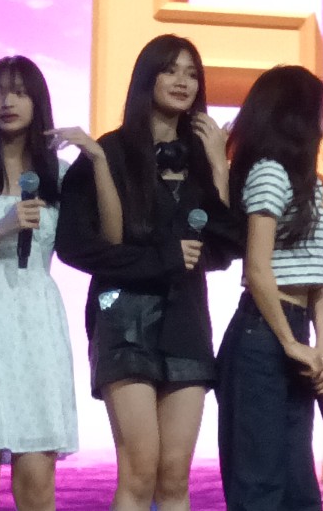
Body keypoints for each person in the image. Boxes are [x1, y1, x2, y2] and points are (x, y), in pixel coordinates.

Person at [55, 34, 244, 511]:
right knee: (140, 471)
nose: (183, 82)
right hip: (124, 321)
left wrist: (219, 165)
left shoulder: (201, 155)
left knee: (175, 477)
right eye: (170, 70)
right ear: (147, 78)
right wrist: (160, 260)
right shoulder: (109, 152)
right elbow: (75, 245)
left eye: (192, 73)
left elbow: (225, 249)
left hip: (186, 322)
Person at [0, 56, 118, 511]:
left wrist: (98, 159)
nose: (6, 102)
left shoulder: (60, 177)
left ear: (37, 102)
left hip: (37, 321)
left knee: (36, 485)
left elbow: (111, 238)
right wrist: (0, 228)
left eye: (18, 92)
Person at [215, 65, 323, 509]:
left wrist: (321, 346)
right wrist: (288, 341)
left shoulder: (310, 183)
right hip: (263, 334)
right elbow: (257, 269)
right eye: (317, 111)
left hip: (295, 332)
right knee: (260, 483)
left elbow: (317, 274)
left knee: (299, 489)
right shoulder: (269, 173)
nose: (322, 124)